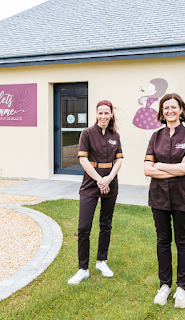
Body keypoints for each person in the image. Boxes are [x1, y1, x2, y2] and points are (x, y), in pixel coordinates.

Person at [144, 93, 185, 308]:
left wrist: (160, 166)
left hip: (182, 197)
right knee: (162, 241)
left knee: (182, 241)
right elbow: (147, 169)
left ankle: (182, 288)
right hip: (159, 198)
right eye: (166, 108)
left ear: (181, 110)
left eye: (174, 107)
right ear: (161, 112)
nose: (170, 111)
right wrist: (175, 170)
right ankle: (165, 285)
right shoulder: (155, 137)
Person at [68, 100, 123, 285]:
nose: (103, 116)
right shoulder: (87, 133)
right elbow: (83, 160)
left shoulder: (115, 135)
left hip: (110, 183)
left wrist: (108, 179)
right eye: (100, 113)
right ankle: (82, 269)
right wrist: (100, 180)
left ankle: (101, 261)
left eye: (107, 113)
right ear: (96, 114)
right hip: (91, 184)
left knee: (105, 224)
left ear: (111, 115)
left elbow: (119, 160)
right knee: (84, 227)